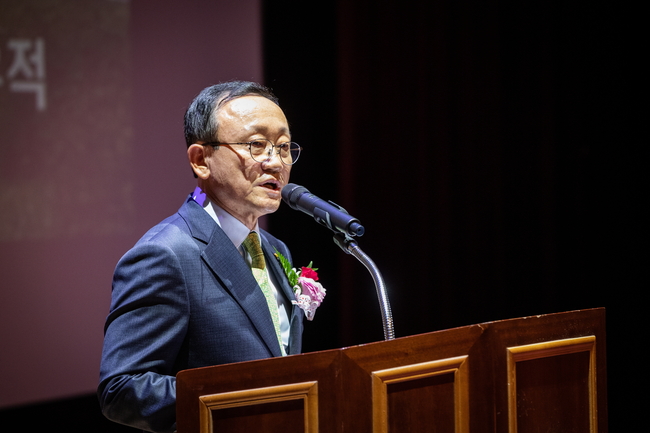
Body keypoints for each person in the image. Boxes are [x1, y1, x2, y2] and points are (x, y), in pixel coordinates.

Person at [98, 81, 304, 433]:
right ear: (200, 160)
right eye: (256, 145)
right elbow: (122, 389)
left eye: (284, 147)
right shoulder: (165, 254)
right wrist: (238, 398)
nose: (275, 162)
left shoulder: (275, 249)